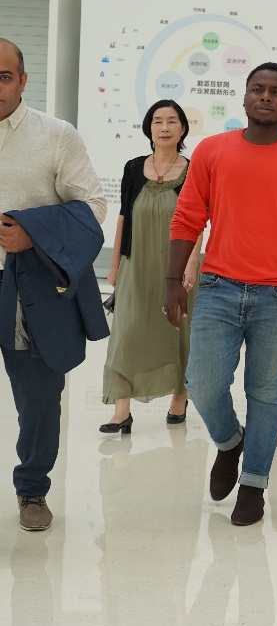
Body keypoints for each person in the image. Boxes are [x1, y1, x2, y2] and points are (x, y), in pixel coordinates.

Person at [165, 62, 277, 526]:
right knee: (202, 382)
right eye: (257, 89)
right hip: (218, 288)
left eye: (276, 92)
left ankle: (254, 484)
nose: (266, 96)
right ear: (244, 97)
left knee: (265, 393)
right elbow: (187, 217)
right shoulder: (212, 151)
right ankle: (229, 442)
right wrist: (172, 280)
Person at [0, 38, 108, 532]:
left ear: (23, 80)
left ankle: (32, 490)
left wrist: (33, 232)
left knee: (39, 399)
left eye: (4, 77)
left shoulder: (56, 135)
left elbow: (93, 206)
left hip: (30, 288)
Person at [101, 100, 200, 433]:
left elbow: (198, 222)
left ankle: (179, 397)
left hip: (178, 267)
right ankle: (121, 409)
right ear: (149, 128)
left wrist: (190, 266)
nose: (164, 127)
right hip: (136, 262)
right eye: (158, 121)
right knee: (126, 331)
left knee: (178, 331)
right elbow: (123, 217)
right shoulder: (133, 168)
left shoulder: (193, 170)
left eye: (172, 121)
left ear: (183, 129)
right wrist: (114, 264)